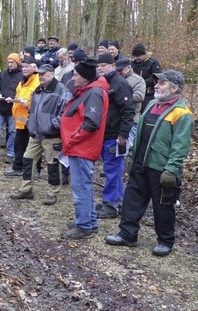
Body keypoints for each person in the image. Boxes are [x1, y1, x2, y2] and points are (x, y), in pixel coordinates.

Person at [105, 70, 192, 257]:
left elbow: (180, 145)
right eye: (157, 83)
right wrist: (132, 156)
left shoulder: (182, 113)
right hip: (141, 162)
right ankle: (127, 234)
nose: (157, 86)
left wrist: (171, 169)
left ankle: (165, 241)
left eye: (162, 83)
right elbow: (140, 134)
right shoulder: (152, 104)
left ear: (174, 88)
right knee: (132, 199)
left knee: (163, 205)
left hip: (162, 168)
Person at [59, 59, 109, 240]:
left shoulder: (94, 93)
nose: (72, 78)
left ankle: (84, 225)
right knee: (83, 186)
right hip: (78, 147)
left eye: (76, 75)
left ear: (86, 78)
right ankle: (89, 220)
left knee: (80, 187)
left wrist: (72, 139)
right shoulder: (89, 91)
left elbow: (91, 123)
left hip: (81, 148)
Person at [9, 64, 71, 205]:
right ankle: (26, 189)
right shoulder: (38, 90)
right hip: (35, 134)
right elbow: (32, 110)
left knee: (53, 165)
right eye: (39, 74)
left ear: (52, 74)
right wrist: (31, 124)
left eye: (44, 74)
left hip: (51, 135)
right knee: (27, 160)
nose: (41, 76)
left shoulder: (62, 91)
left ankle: (52, 193)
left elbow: (66, 114)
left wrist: (51, 126)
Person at [95, 53, 135, 219]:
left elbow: (128, 110)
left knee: (113, 169)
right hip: (105, 133)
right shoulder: (104, 83)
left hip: (116, 135)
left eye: (103, 65)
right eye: (99, 66)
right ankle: (117, 201)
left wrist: (123, 134)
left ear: (113, 66)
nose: (100, 68)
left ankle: (111, 204)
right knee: (111, 168)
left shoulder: (120, 83)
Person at [4, 57, 40, 176]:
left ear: (34, 67)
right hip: (20, 120)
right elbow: (18, 96)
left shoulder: (38, 82)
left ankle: (36, 170)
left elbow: (39, 101)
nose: (24, 69)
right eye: (23, 66)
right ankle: (18, 167)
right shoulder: (21, 83)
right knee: (19, 145)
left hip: (32, 120)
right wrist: (13, 101)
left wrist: (27, 103)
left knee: (34, 146)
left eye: (27, 66)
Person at [116, 57, 145, 150]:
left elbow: (140, 96)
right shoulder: (116, 79)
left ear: (128, 68)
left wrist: (124, 98)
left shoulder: (138, 80)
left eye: (121, 69)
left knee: (128, 148)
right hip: (117, 120)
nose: (119, 72)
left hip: (131, 119)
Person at [131, 43, 162, 111]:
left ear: (144, 54)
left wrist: (141, 83)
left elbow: (157, 77)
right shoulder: (132, 64)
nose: (137, 58)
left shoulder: (153, 62)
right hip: (135, 93)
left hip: (149, 94)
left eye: (139, 56)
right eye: (135, 56)